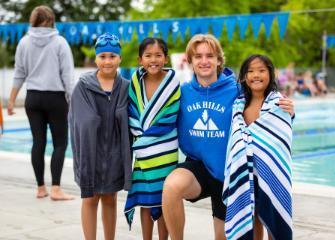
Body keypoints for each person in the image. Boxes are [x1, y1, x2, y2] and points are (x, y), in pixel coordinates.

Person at [162, 34, 294, 240]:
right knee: (171, 186)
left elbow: (264, 105)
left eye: (209, 56)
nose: (204, 61)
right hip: (200, 168)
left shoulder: (237, 90)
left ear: (218, 60)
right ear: (190, 61)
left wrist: (288, 112)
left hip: (232, 172)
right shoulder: (182, 93)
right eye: (198, 56)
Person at [68, 32, 133, 240]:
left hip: (115, 153)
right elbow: (79, 121)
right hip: (90, 153)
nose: (107, 61)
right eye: (103, 56)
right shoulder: (83, 87)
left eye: (112, 56)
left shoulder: (125, 87)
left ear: (120, 58)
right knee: (90, 198)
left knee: (110, 198)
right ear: (96, 59)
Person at [7, 5, 74, 200]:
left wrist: (11, 100)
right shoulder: (60, 42)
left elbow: (19, 73)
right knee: (60, 143)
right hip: (55, 98)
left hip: (33, 98)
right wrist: (74, 102)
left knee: (38, 142)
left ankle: (40, 188)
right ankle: (56, 189)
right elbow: (68, 77)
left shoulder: (24, 43)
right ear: (52, 21)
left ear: (32, 21)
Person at [223, 54, 293, 239]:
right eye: (251, 71)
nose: (256, 75)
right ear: (244, 76)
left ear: (270, 74)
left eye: (261, 70)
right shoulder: (238, 105)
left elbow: (282, 134)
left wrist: (290, 114)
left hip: (271, 173)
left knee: (273, 216)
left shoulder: (278, 103)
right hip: (245, 172)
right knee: (251, 218)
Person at [124, 37, 180, 240]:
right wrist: (142, 139)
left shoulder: (173, 84)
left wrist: (147, 139)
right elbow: (130, 112)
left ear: (165, 58)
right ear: (140, 60)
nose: (153, 60)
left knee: (165, 199)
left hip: (165, 150)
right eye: (148, 56)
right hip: (142, 152)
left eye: (158, 55)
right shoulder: (135, 83)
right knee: (145, 199)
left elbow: (171, 114)